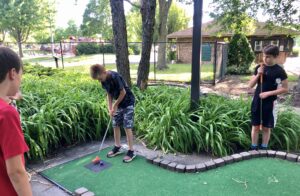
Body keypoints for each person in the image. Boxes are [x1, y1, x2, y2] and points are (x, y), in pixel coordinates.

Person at [0, 47, 32, 195]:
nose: (21, 81)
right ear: (13, 73)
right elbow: (16, 172)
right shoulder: (6, 114)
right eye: (20, 75)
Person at [90, 64, 136, 163]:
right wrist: (110, 108)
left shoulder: (115, 77)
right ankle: (117, 146)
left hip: (128, 102)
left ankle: (131, 151)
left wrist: (115, 105)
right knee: (115, 124)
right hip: (118, 104)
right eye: (98, 80)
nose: (100, 81)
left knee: (127, 126)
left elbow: (123, 92)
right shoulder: (103, 81)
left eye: (100, 78)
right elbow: (109, 94)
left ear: (104, 72)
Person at [248, 45, 288, 150]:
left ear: (276, 56)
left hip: (270, 102)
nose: (265, 59)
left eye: (268, 57)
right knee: (255, 126)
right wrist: (258, 74)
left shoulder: (279, 71)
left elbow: (285, 88)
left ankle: (264, 148)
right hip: (257, 100)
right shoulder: (259, 68)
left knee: (266, 127)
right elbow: (250, 85)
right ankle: (253, 148)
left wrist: (268, 93)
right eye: (264, 56)